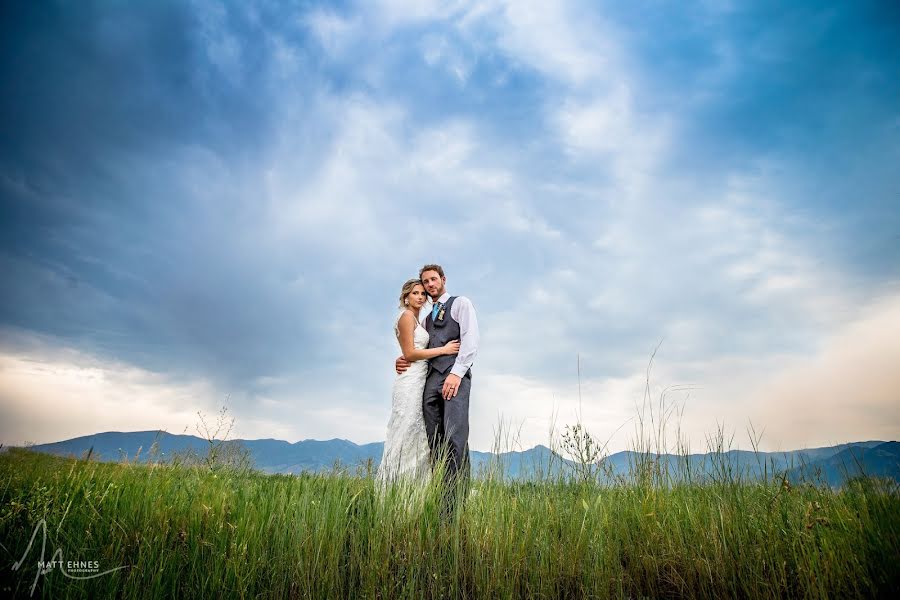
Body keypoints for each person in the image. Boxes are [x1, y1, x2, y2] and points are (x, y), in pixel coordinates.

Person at [395, 264, 479, 516]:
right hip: (429, 380)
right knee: (435, 442)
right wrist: (402, 359)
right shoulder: (425, 315)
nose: (429, 285)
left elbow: (470, 340)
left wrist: (456, 374)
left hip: (454, 377)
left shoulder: (460, 303)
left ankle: (454, 506)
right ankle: (439, 496)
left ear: (443, 279)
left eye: (433, 280)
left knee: (455, 438)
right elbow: (415, 347)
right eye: (425, 282)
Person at [376, 278, 460, 488]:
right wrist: (444, 349)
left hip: (421, 379)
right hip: (410, 381)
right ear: (406, 296)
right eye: (415, 293)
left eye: (423, 294)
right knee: (406, 430)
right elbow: (410, 353)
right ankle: (395, 490)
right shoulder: (406, 317)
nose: (420, 297)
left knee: (417, 434)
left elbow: (413, 351)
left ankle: (414, 491)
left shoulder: (419, 321)